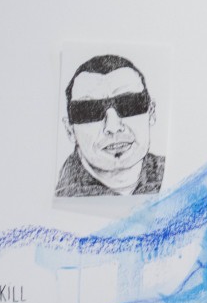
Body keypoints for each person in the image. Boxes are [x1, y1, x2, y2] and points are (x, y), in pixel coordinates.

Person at [55, 54, 165, 197]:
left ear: (151, 112)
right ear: (70, 131)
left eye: (129, 105)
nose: (113, 127)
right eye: (90, 111)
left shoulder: (175, 173)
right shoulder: (59, 193)